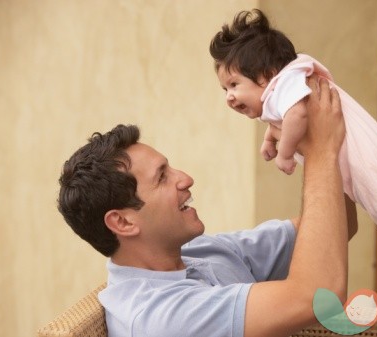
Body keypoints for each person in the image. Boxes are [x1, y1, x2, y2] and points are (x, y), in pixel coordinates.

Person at [57, 77, 354, 337]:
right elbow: (318, 296)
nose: (186, 179)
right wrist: (321, 152)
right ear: (122, 223)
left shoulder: (196, 253)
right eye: (162, 177)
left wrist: (304, 141)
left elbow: (337, 228)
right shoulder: (161, 319)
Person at [209, 9, 377, 284]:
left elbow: (297, 115)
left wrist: (284, 153)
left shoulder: (286, 83)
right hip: (346, 160)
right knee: (368, 205)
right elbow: (284, 121)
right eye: (225, 90)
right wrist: (269, 140)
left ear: (268, 74)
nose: (229, 97)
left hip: (363, 154)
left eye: (234, 85)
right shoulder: (279, 91)